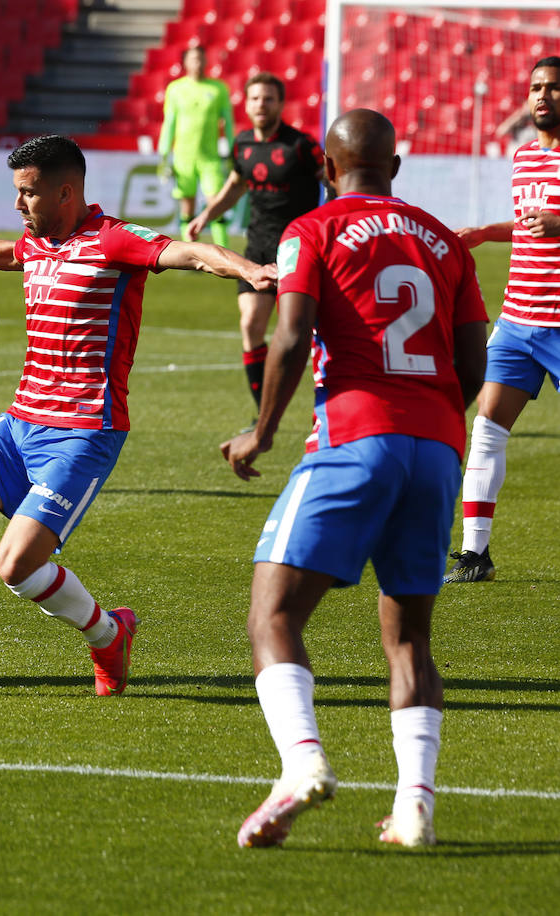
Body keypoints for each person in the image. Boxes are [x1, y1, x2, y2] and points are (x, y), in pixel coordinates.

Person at [0, 135, 276, 697]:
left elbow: (188, 253)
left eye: (27, 194)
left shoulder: (115, 239)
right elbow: (3, 253)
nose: (19, 205)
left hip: (84, 432)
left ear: (65, 192)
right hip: (20, 423)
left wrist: (247, 268)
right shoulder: (36, 241)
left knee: (16, 565)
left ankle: (108, 634)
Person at [220, 109, 488, 848]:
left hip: (355, 439)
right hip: (436, 450)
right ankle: (415, 807)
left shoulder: (313, 228)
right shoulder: (445, 242)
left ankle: (301, 763)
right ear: (395, 168)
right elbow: (473, 366)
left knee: (273, 615)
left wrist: (262, 431)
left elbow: (291, 334)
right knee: (409, 641)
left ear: (328, 170)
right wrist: (431, 421)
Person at [444, 57, 560, 584]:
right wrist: (486, 233)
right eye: (537, 87)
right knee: (487, 428)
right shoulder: (523, 159)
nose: (543, 96)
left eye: (554, 88)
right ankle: (476, 556)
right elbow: (530, 227)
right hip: (518, 319)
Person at [187, 73, 326, 418]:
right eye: (255, 99)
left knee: (308, 330)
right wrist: (204, 217)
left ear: (280, 104)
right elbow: (235, 186)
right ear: (246, 104)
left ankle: (327, 407)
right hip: (259, 246)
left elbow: (334, 182)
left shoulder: (302, 146)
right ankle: (266, 412)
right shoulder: (243, 144)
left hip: (299, 247)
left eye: (268, 99)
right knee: (251, 325)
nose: (261, 105)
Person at [158, 46, 234, 245]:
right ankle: (190, 250)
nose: (197, 63)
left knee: (216, 203)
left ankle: (223, 248)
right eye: (193, 59)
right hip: (183, 157)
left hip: (210, 157)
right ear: (185, 63)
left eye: (201, 59)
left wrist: (233, 150)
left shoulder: (218, 89)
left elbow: (228, 122)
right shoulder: (175, 89)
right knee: (187, 205)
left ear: (206, 61)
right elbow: (170, 122)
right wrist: (164, 154)